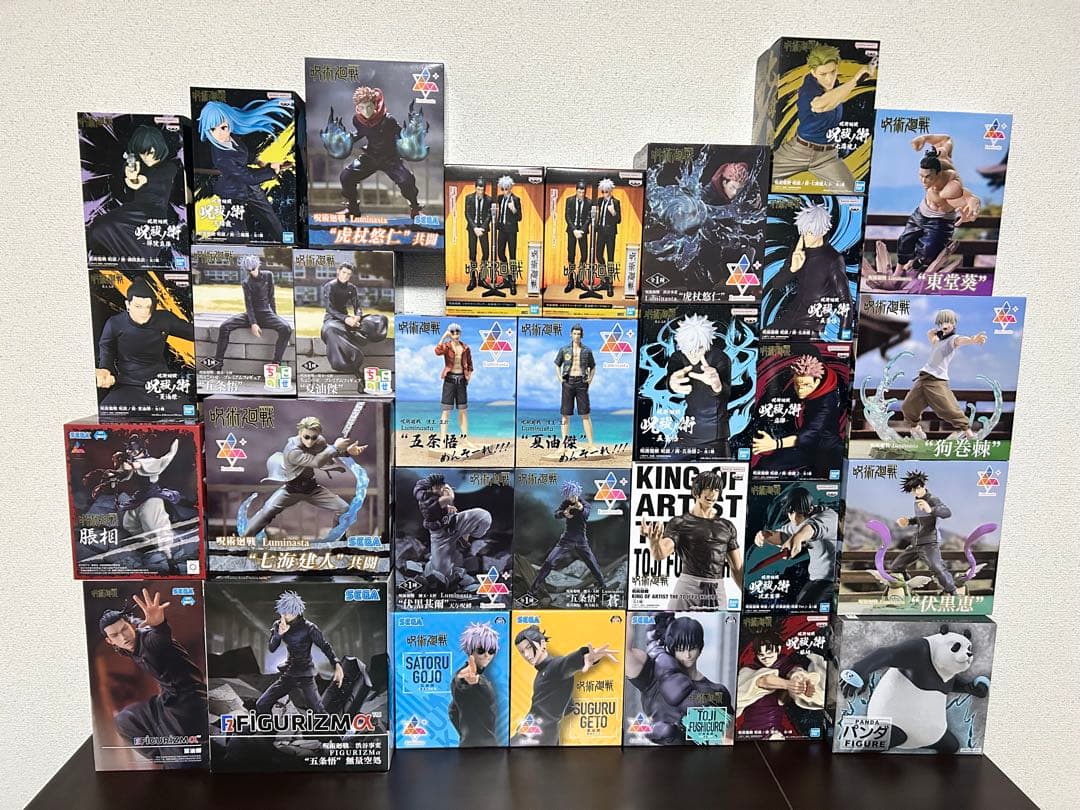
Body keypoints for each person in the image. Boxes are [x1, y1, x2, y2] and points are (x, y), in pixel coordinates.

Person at [99, 588, 208, 766]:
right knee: (124, 720)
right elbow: (137, 623)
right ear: (110, 641)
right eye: (115, 635)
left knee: (181, 762)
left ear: (130, 626)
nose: (123, 637)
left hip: (188, 701)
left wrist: (160, 625)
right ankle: (163, 756)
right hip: (166, 698)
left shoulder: (149, 641)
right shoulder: (130, 640)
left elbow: (159, 639)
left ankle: (172, 756)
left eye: (124, 629)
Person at [770, 43, 876, 191]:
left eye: (832, 72)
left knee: (852, 193)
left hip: (827, 157)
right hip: (797, 151)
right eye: (823, 74)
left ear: (837, 67)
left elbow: (836, 96)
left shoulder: (837, 86)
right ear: (813, 73)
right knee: (762, 177)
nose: (829, 79)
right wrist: (855, 80)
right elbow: (819, 105)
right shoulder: (809, 87)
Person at [241, 415, 366, 537]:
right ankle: (244, 541)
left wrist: (346, 452)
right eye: (306, 437)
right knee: (267, 511)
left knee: (344, 509)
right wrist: (334, 447)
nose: (310, 441)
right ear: (300, 433)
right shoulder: (292, 450)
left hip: (312, 489)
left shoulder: (319, 441)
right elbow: (316, 462)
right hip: (291, 490)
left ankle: (337, 540)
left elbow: (327, 453)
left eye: (314, 437)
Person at [83, 432, 187, 573]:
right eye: (129, 450)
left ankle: (169, 557)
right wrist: (111, 475)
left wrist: (126, 466)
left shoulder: (150, 462)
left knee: (153, 523)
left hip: (152, 497)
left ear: (141, 449)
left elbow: (134, 466)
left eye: (132, 449)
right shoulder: (134, 461)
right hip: (139, 497)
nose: (130, 452)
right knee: (129, 522)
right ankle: (150, 544)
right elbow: (125, 474)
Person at [641, 471, 744, 610]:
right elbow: (660, 554)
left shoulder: (727, 526)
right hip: (688, 588)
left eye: (716, 489)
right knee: (673, 621)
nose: (712, 494)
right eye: (708, 488)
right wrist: (654, 541)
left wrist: (748, 595)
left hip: (717, 590)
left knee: (720, 623)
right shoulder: (680, 523)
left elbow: (737, 568)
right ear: (696, 491)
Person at [625, 613, 733, 745]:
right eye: (681, 649)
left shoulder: (718, 691)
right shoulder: (653, 673)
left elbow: (729, 737)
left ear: (700, 647)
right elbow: (625, 653)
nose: (687, 655)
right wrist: (628, 614)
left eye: (692, 648)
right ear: (672, 647)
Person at [197, 98, 293, 241]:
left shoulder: (232, 138)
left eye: (223, 127)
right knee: (238, 233)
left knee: (272, 221)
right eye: (212, 129)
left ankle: (285, 242)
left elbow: (242, 154)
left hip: (251, 188)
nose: (219, 134)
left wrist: (257, 160)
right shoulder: (221, 157)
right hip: (232, 193)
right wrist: (272, 171)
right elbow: (248, 177)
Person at [96, 277, 193, 411]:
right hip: (128, 385)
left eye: (148, 307)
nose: (144, 312)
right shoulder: (115, 323)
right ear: (128, 304)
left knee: (187, 413)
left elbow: (193, 332)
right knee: (106, 412)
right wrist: (105, 369)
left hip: (161, 384)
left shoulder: (164, 319)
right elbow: (106, 349)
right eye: (138, 306)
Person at [512, 626, 619, 745]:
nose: (526, 654)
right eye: (522, 651)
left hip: (536, 736)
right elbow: (567, 706)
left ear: (542, 644)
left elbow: (567, 662)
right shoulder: (541, 673)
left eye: (529, 647)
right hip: (536, 732)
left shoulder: (554, 666)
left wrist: (584, 657)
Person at [87, 125, 180, 261]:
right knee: (99, 227)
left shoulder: (168, 167)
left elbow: (159, 175)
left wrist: (140, 179)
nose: (147, 156)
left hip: (154, 216)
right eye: (143, 152)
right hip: (135, 211)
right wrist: (132, 176)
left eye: (151, 151)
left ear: (159, 147)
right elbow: (132, 183)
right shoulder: (140, 167)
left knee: (143, 253)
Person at [896, 135, 982, 271]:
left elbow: (967, 197)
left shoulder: (950, 186)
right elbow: (946, 139)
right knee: (904, 242)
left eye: (927, 177)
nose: (923, 181)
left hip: (940, 220)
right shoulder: (939, 157)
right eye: (921, 176)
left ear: (938, 174)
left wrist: (972, 202)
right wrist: (924, 138)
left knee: (928, 253)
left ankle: (914, 266)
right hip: (921, 212)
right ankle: (898, 271)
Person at [898, 308, 986, 439]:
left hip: (937, 380)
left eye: (948, 322)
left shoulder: (953, 339)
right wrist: (933, 333)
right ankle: (916, 428)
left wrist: (972, 340)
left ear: (953, 324)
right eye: (941, 323)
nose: (944, 325)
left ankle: (968, 433)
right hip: (923, 378)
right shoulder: (939, 341)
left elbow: (960, 340)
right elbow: (931, 337)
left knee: (948, 408)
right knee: (908, 406)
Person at [752, 353, 846, 478]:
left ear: (817, 381)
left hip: (827, 450)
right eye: (797, 384)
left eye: (806, 385)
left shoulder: (827, 403)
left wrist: (775, 444)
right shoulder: (815, 392)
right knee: (766, 465)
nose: (800, 390)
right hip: (807, 447)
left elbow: (810, 433)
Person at [336, 86, 422, 219]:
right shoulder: (358, 120)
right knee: (346, 176)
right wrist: (347, 140)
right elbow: (360, 133)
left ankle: (415, 208)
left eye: (369, 107)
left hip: (390, 158)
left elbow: (401, 134)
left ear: (375, 105)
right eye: (362, 107)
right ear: (358, 108)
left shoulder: (388, 120)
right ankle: (352, 208)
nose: (366, 111)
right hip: (371, 157)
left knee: (407, 180)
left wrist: (411, 137)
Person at [767, 202, 852, 336]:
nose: (806, 236)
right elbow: (776, 284)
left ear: (823, 231)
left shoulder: (833, 259)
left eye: (811, 232)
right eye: (804, 231)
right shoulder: (798, 252)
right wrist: (792, 269)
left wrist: (845, 334)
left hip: (811, 324)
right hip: (789, 318)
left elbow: (845, 299)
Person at [255, 591, 344, 715]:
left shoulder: (309, 628)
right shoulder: (278, 625)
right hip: (289, 674)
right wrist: (279, 634)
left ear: (296, 612)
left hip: (305, 675)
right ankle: (271, 726)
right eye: (283, 612)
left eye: (288, 612)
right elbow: (272, 648)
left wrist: (337, 665)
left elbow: (325, 646)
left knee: (319, 711)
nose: (285, 616)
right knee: (261, 704)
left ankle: (333, 728)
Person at [753, 485, 838, 606]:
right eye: (790, 512)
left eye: (797, 513)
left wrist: (797, 537)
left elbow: (813, 527)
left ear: (809, 510)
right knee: (798, 606)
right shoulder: (797, 521)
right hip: (815, 578)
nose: (793, 518)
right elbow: (782, 536)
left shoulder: (828, 517)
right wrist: (765, 536)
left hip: (832, 579)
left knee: (804, 608)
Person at [209, 254, 293, 369]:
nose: (252, 272)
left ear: (258, 265)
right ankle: (218, 363)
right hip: (251, 315)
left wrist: (275, 317)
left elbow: (271, 297)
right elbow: (249, 305)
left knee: (286, 328)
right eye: (249, 270)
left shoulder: (268, 275)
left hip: (267, 314)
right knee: (225, 326)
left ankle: (276, 363)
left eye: (253, 268)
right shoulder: (246, 282)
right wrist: (253, 323)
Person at [665, 314, 732, 456]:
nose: (693, 354)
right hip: (687, 432)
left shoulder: (720, 358)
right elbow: (671, 374)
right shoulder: (678, 357)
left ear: (707, 343)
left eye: (699, 348)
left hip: (715, 436)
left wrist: (717, 385)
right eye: (688, 349)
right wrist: (671, 382)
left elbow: (727, 393)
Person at [413, 472, 492, 587]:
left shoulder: (429, 489)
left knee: (483, 516)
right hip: (441, 535)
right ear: (430, 489)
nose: (440, 488)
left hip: (454, 522)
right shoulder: (428, 501)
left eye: (441, 485)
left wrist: (447, 505)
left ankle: (466, 534)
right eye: (437, 487)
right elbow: (448, 498)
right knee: (441, 574)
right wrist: (447, 491)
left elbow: (442, 496)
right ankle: (434, 565)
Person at [735, 633, 822, 739]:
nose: (766, 658)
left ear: (778, 649)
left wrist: (801, 682)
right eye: (761, 655)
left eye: (769, 653)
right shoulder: (749, 670)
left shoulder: (786, 665)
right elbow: (763, 680)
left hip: (773, 730)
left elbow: (795, 672)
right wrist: (787, 684)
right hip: (749, 730)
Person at [527, 481, 605, 598]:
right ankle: (533, 589)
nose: (570, 498)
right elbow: (556, 514)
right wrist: (564, 513)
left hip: (581, 541)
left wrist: (581, 509)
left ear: (577, 493)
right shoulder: (566, 503)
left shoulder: (585, 504)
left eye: (572, 495)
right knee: (549, 562)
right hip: (567, 539)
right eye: (568, 495)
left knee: (592, 563)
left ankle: (602, 585)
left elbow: (586, 514)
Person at [889, 470, 956, 594]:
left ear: (924, 485)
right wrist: (908, 521)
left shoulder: (932, 499)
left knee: (937, 567)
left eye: (918, 488)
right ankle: (907, 588)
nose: (916, 492)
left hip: (930, 542)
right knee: (896, 567)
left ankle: (952, 592)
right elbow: (921, 520)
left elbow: (947, 512)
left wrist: (931, 509)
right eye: (913, 490)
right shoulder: (917, 501)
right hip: (916, 543)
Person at [319, 262, 388, 381]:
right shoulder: (329, 286)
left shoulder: (352, 288)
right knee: (331, 330)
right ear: (338, 271)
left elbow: (357, 307)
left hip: (347, 319)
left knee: (379, 320)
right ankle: (352, 357)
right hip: (333, 319)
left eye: (348, 274)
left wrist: (358, 317)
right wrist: (345, 319)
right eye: (343, 272)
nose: (345, 276)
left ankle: (360, 335)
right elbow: (330, 309)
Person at [449, 622, 501, 746]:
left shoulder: (480, 675)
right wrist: (468, 681)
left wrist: (464, 734)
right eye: (481, 650)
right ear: (470, 651)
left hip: (474, 745)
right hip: (481, 747)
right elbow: (462, 683)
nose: (487, 655)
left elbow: (452, 711)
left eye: (491, 651)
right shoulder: (465, 675)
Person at [554, 324, 596, 450]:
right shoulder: (564, 349)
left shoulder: (587, 350)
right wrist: (560, 378)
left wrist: (590, 379)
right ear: (571, 334)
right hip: (568, 382)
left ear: (581, 335)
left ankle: (591, 445)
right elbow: (557, 364)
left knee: (585, 414)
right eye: (574, 333)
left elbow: (593, 366)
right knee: (565, 414)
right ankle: (564, 445)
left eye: (578, 334)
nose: (576, 336)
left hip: (582, 382)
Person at [434, 324, 473, 443]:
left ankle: (465, 440)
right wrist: (443, 337)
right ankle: (442, 440)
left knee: (463, 411)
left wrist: (468, 377)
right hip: (449, 380)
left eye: (457, 332)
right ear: (449, 333)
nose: (455, 334)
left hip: (461, 380)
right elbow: (437, 351)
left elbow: (470, 364)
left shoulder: (465, 347)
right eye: (452, 332)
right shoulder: (447, 346)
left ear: (460, 333)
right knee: (445, 411)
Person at [464, 177, 493, 291]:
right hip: (472, 229)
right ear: (475, 188)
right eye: (479, 189)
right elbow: (467, 214)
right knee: (472, 254)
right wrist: (475, 228)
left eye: (482, 190)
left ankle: (482, 278)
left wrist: (482, 228)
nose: (480, 192)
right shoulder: (469, 198)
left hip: (483, 229)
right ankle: (472, 279)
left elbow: (489, 215)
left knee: (486, 253)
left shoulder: (489, 199)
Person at [563, 180, 593, 291]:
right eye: (579, 192)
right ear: (576, 191)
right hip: (572, 231)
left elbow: (589, 218)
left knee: (584, 256)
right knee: (571, 256)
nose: (581, 194)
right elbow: (567, 216)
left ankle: (580, 280)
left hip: (582, 232)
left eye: (583, 192)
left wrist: (582, 231)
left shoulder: (589, 202)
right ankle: (571, 281)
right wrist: (574, 230)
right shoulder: (569, 200)